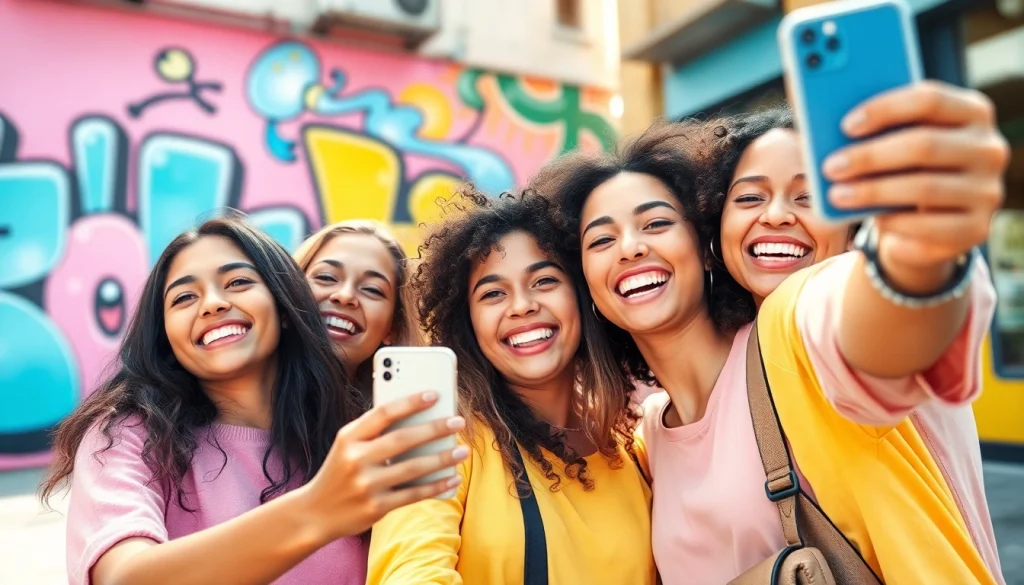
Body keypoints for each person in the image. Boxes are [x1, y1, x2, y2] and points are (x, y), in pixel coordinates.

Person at [534, 81, 1008, 583]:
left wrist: (919, 251)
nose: (629, 248)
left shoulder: (793, 331)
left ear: (705, 243)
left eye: (656, 224)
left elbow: (879, 321)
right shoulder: (651, 436)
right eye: (602, 239)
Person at [42, 215, 467, 585]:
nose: (213, 303)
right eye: (184, 297)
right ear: (165, 333)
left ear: (284, 306)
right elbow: (122, 578)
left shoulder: (353, 439)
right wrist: (318, 509)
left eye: (239, 282)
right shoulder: (126, 436)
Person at [367, 190, 654, 584]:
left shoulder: (634, 453)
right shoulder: (441, 436)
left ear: (583, 295)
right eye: (493, 293)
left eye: (544, 280)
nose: (521, 306)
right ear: (468, 323)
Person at [294, 220, 420, 392]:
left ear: (393, 329)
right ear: (291, 289)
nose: (345, 296)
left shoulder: (406, 417)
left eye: (372, 289)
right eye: (326, 277)